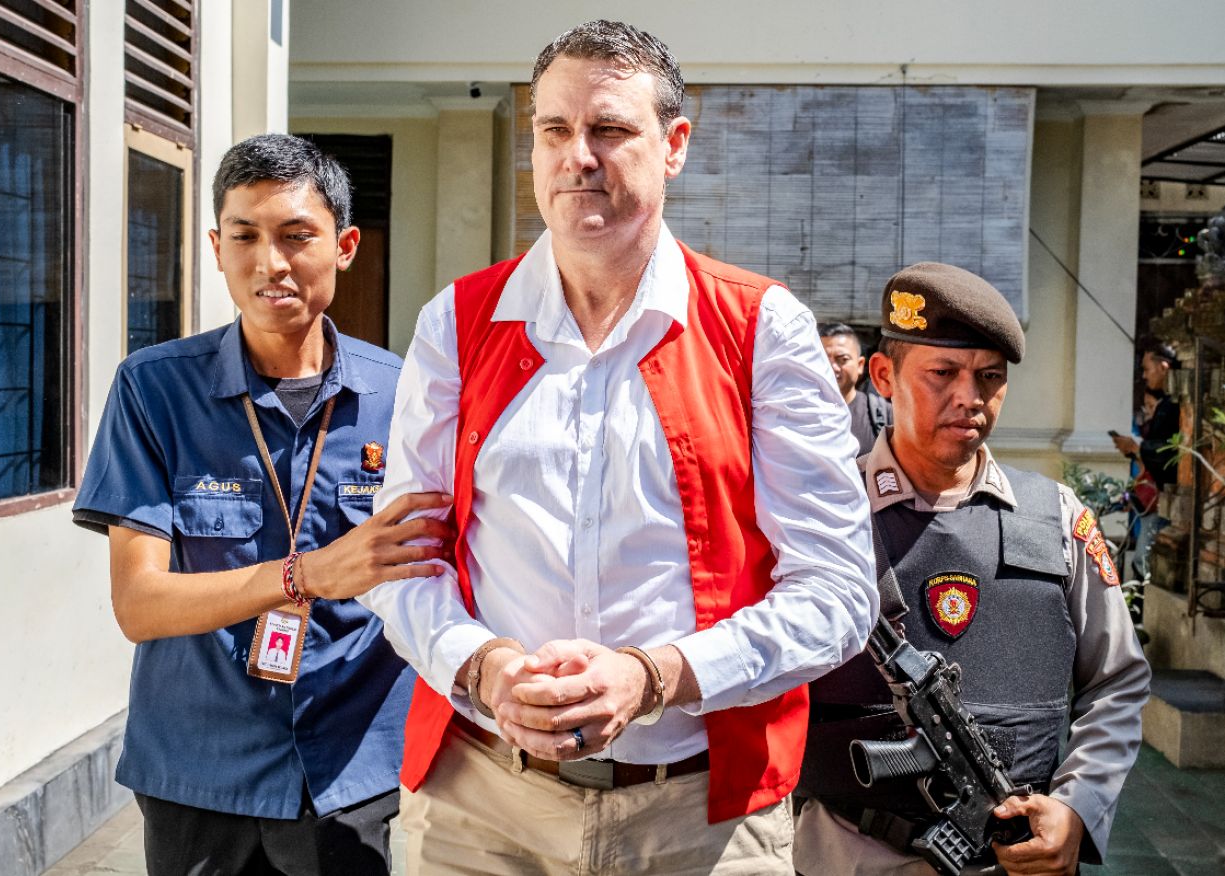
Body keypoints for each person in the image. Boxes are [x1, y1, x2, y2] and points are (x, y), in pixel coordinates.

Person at [358, 20, 877, 876]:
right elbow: (403, 556)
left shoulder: (761, 327)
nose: (578, 157)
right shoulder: (456, 323)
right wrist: (484, 667)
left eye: (608, 129)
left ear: (673, 145)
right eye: (554, 130)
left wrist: (656, 673)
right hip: (482, 807)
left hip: (699, 816)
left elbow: (836, 590)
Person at [72, 134, 454, 876]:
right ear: (215, 247)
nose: (268, 263)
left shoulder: (408, 395)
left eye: (295, 236)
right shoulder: (154, 391)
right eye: (244, 236)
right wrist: (305, 574)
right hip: (199, 767)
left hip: (350, 771)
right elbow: (139, 605)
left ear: (344, 245)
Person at [793, 263, 1151, 876]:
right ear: (883, 376)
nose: (970, 396)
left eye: (990, 376)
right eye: (943, 373)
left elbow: (1117, 682)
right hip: (846, 852)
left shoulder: (1056, 519)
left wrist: (1077, 807)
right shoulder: (821, 516)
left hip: (1015, 861)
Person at [1112, 343, 1180, 579]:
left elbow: (1176, 452)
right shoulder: (1166, 405)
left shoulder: (1176, 406)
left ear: (1164, 367)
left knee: (1143, 562)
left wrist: (1139, 447)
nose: (1143, 375)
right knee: (1143, 561)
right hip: (1157, 500)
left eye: (1146, 369)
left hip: (1169, 502)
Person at [820, 322, 892, 456]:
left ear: (860, 365)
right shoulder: (797, 414)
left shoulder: (885, 416)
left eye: (842, 359)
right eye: (823, 359)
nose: (832, 367)